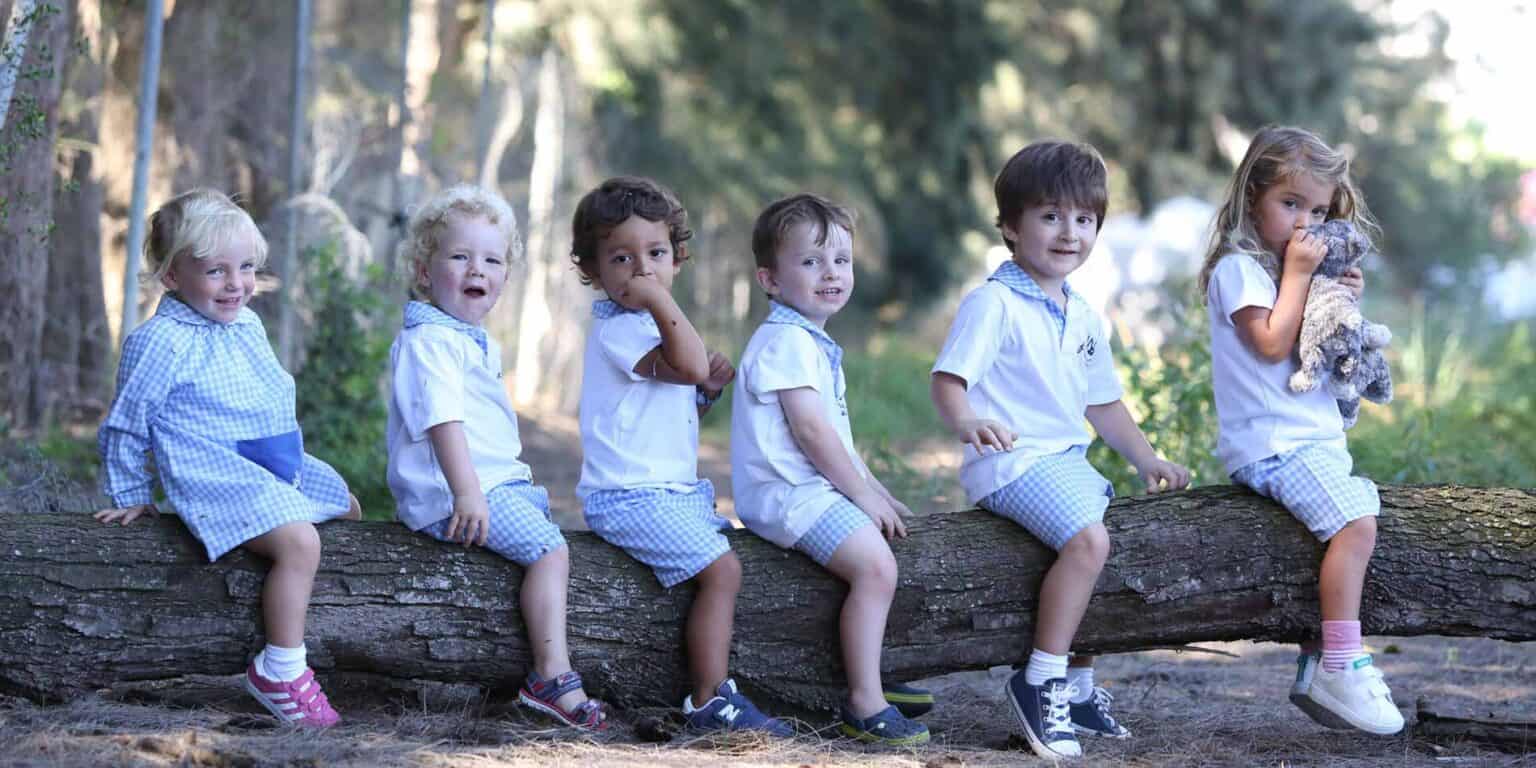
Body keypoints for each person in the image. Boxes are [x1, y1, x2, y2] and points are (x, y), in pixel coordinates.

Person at [930, 141, 1190, 758]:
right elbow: (948, 380)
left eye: (1084, 219)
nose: (1069, 232)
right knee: (1089, 540)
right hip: (1012, 463)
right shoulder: (992, 303)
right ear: (1011, 227)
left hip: (1063, 464)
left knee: (1107, 545)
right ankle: (1039, 678)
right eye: (1050, 216)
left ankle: (1077, 684)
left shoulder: (1085, 315)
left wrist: (1146, 457)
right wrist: (968, 422)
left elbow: (1103, 404)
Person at [97, 188, 362, 727]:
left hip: (269, 462)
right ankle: (282, 668)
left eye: (245, 267)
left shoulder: (246, 323)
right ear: (172, 276)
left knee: (349, 507)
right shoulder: (160, 341)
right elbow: (126, 423)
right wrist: (131, 495)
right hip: (214, 474)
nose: (237, 283)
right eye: (216, 271)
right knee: (300, 541)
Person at [1196, 125, 1403, 735]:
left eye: (1318, 210)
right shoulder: (1238, 270)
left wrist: (1335, 293)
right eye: (1291, 205)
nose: (1306, 224)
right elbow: (1268, 345)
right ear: (1251, 197)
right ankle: (1344, 661)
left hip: (1310, 442)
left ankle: (1316, 657)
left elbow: (1315, 338)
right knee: (1356, 524)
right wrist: (1299, 279)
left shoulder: (1289, 267)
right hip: (1273, 445)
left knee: (1335, 534)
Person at [571, 176, 790, 736]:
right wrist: (667, 307)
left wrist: (706, 393)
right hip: (628, 496)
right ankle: (709, 699)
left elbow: (679, 387)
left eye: (656, 253)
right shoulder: (619, 329)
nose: (641, 270)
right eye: (622, 258)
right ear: (593, 271)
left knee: (741, 563)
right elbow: (689, 362)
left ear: (678, 256)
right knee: (723, 570)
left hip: (670, 492)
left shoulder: (644, 326)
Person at [385, 183, 606, 729]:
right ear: (423, 270)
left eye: (491, 259)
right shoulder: (432, 341)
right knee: (550, 552)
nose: (475, 270)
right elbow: (444, 421)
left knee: (545, 541)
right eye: (458, 257)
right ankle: (551, 678)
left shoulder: (468, 337)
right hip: (450, 492)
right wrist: (467, 492)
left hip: (484, 485)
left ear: (506, 275)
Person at [731, 193, 931, 746]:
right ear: (770, 280)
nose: (831, 273)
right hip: (787, 493)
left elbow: (839, 441)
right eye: (811, 261)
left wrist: (877, 491)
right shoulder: (786, 341)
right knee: (876, 568)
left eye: (840, 261)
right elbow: (812, 434)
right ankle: (865, 703)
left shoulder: (811, 342)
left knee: (892, 546)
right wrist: (861, 499)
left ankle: (874, 673)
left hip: (812, 486)